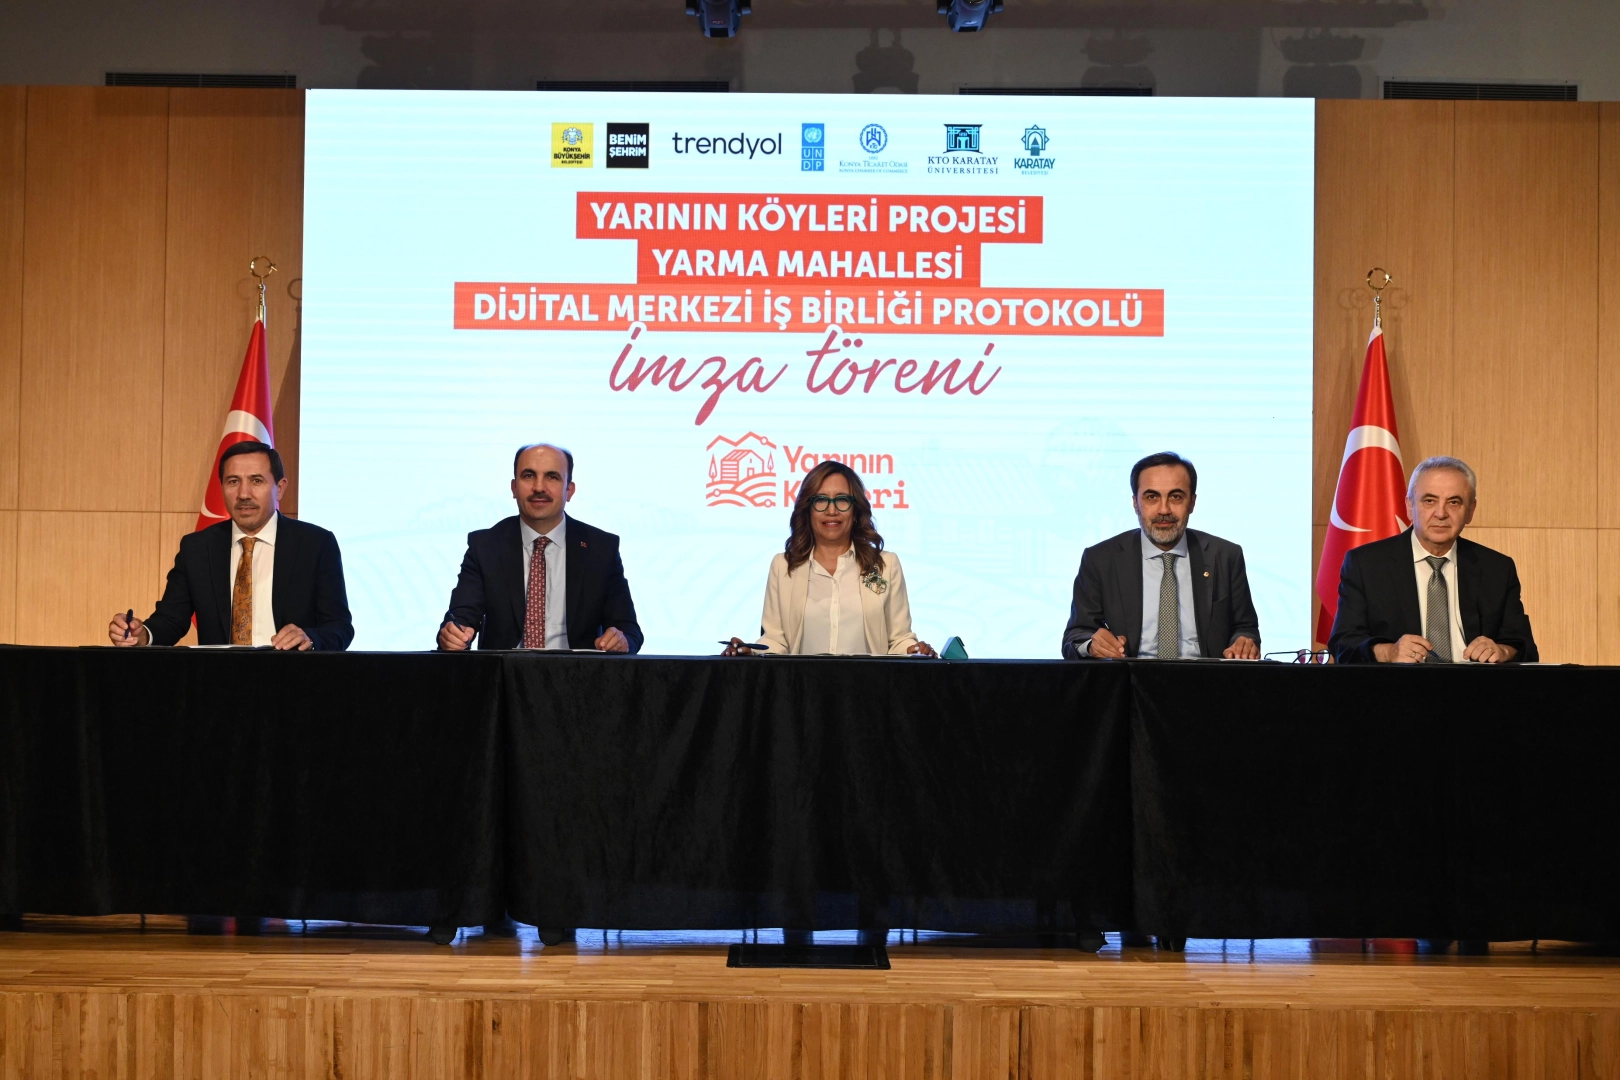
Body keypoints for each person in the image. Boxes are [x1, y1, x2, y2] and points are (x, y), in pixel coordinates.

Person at [108, 441, 353, 650]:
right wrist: (142, 635)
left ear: (279, 488)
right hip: (218, 681)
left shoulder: (316, 544)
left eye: (256, 480)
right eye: (233, 481)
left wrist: (310, 638)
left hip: (293, 679)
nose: (244, 494)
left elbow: (339, 626)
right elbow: (171, 620)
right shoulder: (197, 548)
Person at [1329, 456, 1536, 664]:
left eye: (1454, 502)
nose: (1441, 513)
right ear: (1409, 506)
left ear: (1470, 511)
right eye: (1429, 501)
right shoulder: (1366, 564)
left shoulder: (1497, 569)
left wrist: (1502, 651)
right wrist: (1389, 652)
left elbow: (1525, 647)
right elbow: (1343, 644)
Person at [439, 443, 642, 653]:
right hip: (503, 672)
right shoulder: (485, 546)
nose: (538, 487)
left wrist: (621, 641)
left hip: (579, 672)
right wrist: (452, 636)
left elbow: (629, 630)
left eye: (552, 477)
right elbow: (459, 619)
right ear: (514, 488)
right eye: (528, 476)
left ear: (569, 490)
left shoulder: (601, 549)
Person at [1062, 451, 1260, 661]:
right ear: (1135, 503)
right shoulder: (1100, 559)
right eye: (1152, 497)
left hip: (1206, 678)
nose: (1164, 509)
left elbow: (1245, 627)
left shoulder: (1226, 556)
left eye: (1176, 497)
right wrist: (1092, 645)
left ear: (1192, 503)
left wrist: (1244, 642)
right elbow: (1076, 635)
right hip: (1130, 679)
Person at [725, 460, 934, 657]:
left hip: (868, 683)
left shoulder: (886, 565)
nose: (831, 510)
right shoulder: (783, 566)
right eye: (821, 500)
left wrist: (914, 650)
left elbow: (898, 639)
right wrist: (751, 651)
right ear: (808, 509)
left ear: (855, 511)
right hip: (803, 683)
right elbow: (775, 640)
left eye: (842, 500)